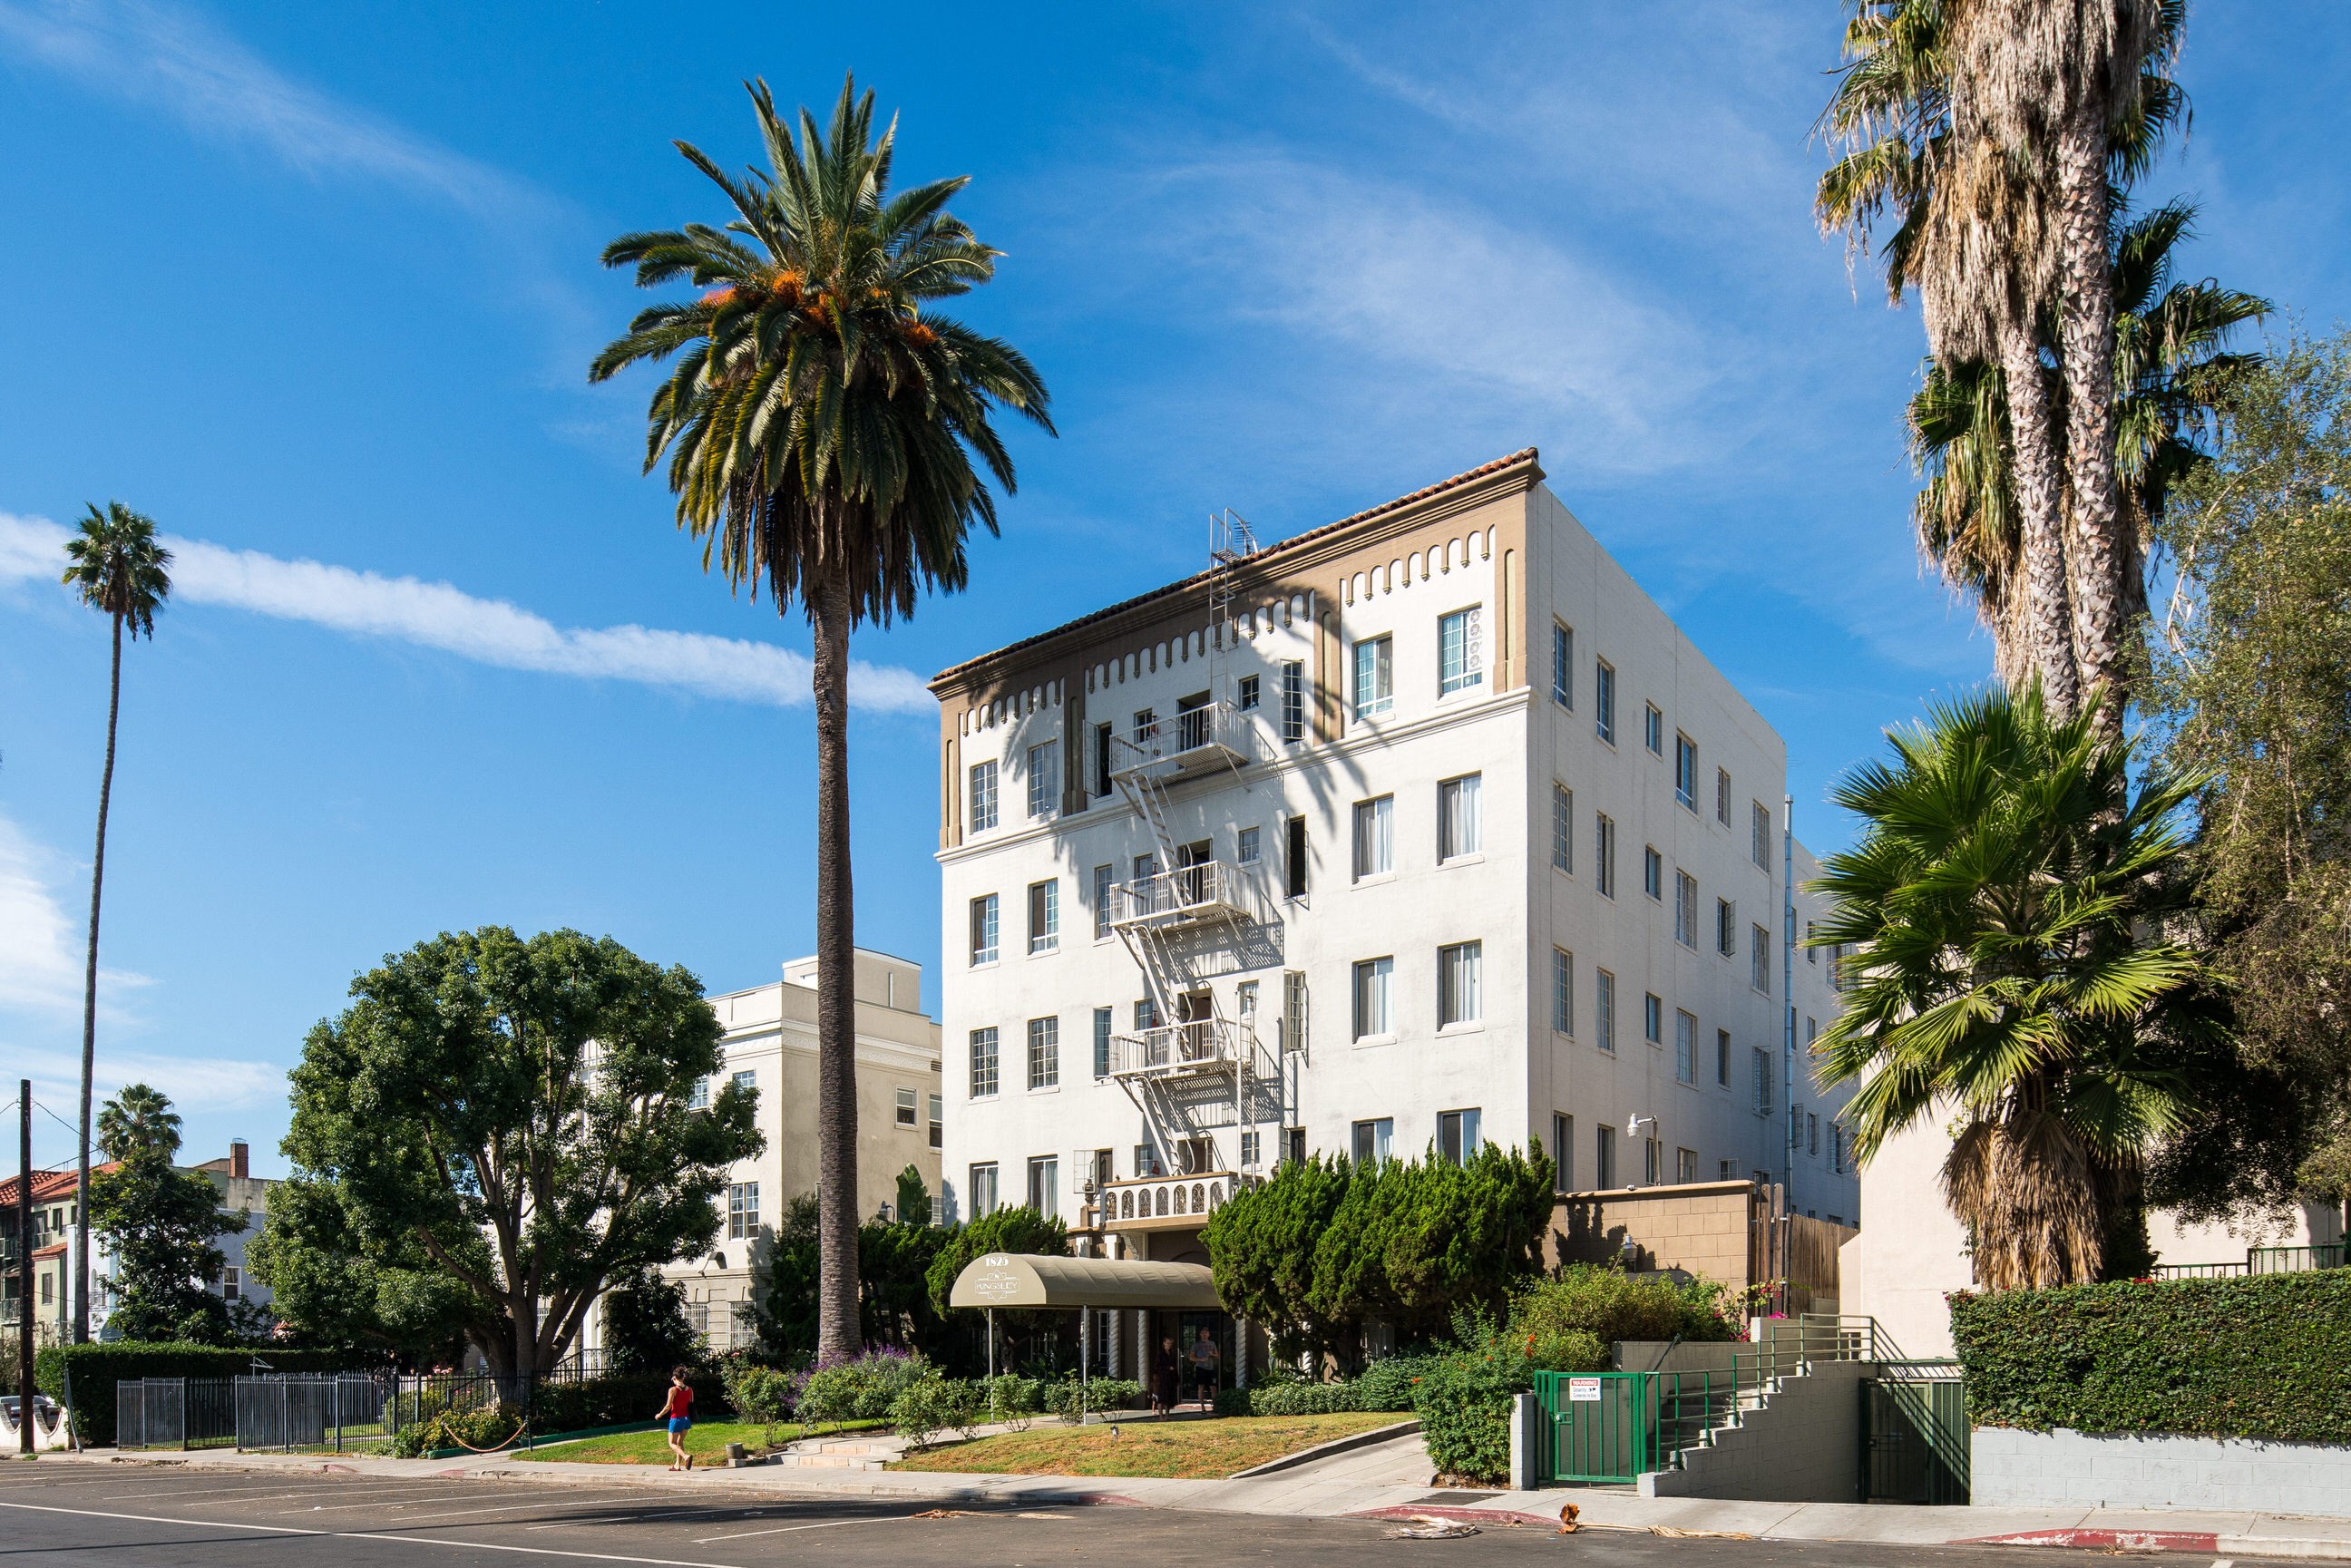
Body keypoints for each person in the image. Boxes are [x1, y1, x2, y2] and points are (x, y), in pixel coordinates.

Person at [657, 1366, 696, 1470]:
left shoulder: (673, 1390)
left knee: (672, 1443)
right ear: (683, 1378)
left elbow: (668, 1406)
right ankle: (677, 1465)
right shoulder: (690, 1389)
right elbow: (691, 1403)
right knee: (680, 1442)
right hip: (687, 1419)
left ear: (674, 1378)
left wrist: (659, 1415)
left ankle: (686, 1456)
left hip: (676, 1418)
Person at [1188, 1327, 1221, 1410]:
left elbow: (1217, 1355)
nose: (1204, 1335)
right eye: (1203, 1333)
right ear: (1200, 1334)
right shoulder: (1196, 1345)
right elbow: (1191, 1358)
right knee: (1201, 1387)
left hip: (1210, 1368)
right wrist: (1200, 1359)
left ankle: (1215, 1406)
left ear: (1208, 1335)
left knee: (1213, 1387)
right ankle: (1202, 1407)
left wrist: (1212, 1354)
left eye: (1206, 1333)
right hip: (1200, 1368)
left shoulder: (1212, 1343)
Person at [1152, 1335, 1180, 1417]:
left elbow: (1175, 1367)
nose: (1169, 1345)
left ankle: (1167, 1415)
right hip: (1162, 1378)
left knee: (1169, 1397)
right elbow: (1157, 1366)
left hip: (1171, 1378)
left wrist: (1177, 1379)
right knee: (1162, 1397)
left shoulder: (1173, 1354)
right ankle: (1161, 1416)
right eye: (1167, 1343)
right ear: (1164, 1343)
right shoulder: (1160, 1354)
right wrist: (1167, 1367)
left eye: (1170, 1343)